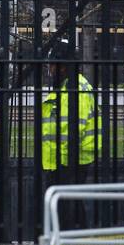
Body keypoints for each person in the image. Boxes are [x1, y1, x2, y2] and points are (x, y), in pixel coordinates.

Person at [40, 37, 103, 229]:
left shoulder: (75, 89)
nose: (49, 70)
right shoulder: (67, 87)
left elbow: (75, 127)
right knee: (69, 206)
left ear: (63, 66)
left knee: (68, 207)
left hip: (69, 159)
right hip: (62, 158)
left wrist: (62, 157)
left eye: (52, 65)